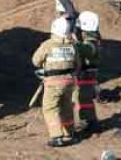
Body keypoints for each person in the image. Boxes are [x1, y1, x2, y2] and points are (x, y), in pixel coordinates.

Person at [32, 15, 81, 148]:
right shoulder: (72, 45)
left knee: (50, 108)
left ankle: (56, 136)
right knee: (66, 107)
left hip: (53, 82)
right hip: (70, 81)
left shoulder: (48, 45)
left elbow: (36, 61)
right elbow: (78, 64)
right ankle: (68, 134)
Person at [74, 11, 101, 132]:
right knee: (83, 99)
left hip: (86, 74)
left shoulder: (91, 43)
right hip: (87, 73)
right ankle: (88, 120)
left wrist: (72, 42)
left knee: (84, 98)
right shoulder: (93, 39)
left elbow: (84, 50)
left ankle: (90, 122)